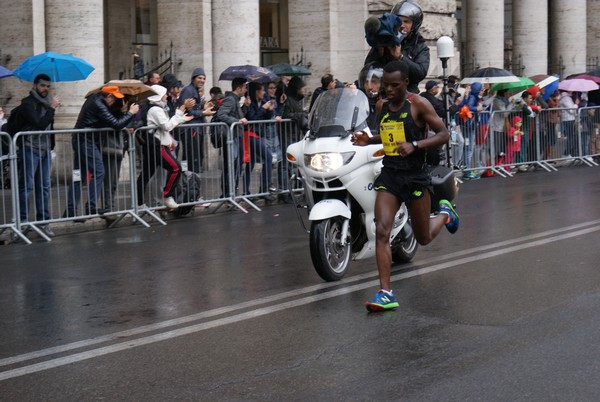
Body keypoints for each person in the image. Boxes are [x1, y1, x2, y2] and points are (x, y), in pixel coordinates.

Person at [351, 60, 458, 312]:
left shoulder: (419, 104)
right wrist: (369, 140)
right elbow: (391, 136)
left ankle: (445, 214)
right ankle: (385, 292)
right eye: (385, 85)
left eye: (394, 86)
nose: (387, 90)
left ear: (406, 83)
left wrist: (416, 145)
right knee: (381, 230)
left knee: (423, 237)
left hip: (415, 176)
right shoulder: (381, 105)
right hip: (390, 176)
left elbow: (443, 134)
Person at [64, 86, 139, 219]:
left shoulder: (96, 100)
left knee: (78, 176)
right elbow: (116, 124)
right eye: (114, 99)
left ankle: (70, 211)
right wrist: (130, 113)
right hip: (86, 141)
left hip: (83, 140)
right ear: (109, 96)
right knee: (99, 172)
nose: (114, 102)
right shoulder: (99, 104)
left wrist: (122, 113)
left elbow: (109, 121)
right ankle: (91, 208)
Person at [16, 74, 61, 237]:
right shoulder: (27, 103)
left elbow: (50, 126)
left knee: (44, 187)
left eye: (48, 86)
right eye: (42, 86)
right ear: (35, 85)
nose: (45, 89)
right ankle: (21, 222)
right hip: (30, 148)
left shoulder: (48, 103)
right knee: (27, 187)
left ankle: (44, 222)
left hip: (45, 150)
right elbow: (40, 124)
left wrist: (51, 146)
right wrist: (52, 108)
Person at [136, 85, 193, 209]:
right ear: (158, 96)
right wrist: (179, 115)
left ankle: (139, 203)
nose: (166, 96)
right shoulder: (155, 110)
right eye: (164, 94)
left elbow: (166, 125)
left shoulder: (156, 108)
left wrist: (180, 117)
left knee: (145, 175)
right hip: (157, 146)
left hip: (156, 144)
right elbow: (167, 126)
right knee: (176, 168)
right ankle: (166, 196)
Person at [364, 0, 429, 93]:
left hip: (407, 95)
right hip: (382, 94)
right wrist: (379, 52)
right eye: (399, 21)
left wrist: (400, 58)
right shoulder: (385, 39)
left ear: (414, 25)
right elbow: (368, 69)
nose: (402, 25)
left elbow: (420, 73)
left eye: (406, 22)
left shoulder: (420, 46)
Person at [215, 77, 249, 197]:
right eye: (245, 87)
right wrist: (237, 121)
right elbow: (221, 114)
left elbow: (238, 115)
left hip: (235, 137)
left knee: (235, 166)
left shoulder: (236, 100)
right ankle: (228, 194)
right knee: (231, 166)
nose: (246, 90)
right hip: (231, 138)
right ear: (238, 88)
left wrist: (245, 107)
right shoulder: (230, 99)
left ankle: (231, 192)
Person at [177, 67, 215, 173]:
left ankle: (192, 184)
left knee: (195, 158)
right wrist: (203, 112)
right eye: (199, 78)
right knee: (193, 158)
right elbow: (187, 112)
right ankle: (190, 185)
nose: (202, 80)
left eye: (204, 78)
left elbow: (193, 110)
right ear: (194, 78)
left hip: (195, 129)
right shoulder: (189, 90)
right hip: (191, 129)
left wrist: (203, 107)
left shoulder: (193, 91)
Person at [245, 82, 276, 196]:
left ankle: (248, 191)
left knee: (251, 163)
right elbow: (252, 118)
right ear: (256, 91)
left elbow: (267, 120)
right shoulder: (250, 103)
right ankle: (265, 187)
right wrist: (263, 108)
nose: (264, 92)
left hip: (258, 135)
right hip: (251, 135)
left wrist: (270, 110)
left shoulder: (262, 102)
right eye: (262, 90)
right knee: (268, 157)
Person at [282, 76, 308, 198]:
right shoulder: (289, 101)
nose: (304, 89)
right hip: (288, 135)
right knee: (287, 164)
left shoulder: (296, 100)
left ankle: (296, 188)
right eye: (302, 87)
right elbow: (287, 114)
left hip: (295, 134)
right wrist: (300, 115)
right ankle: (285, 191)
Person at [559, 90, 578, 157]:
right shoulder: (566, 98)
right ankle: (567, 153)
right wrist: (576, 104)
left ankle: (569, 152)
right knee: (570, 137)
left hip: (569, 119)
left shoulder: (567, 97)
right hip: (568, 119)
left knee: (571, 136)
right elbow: (571, 110)